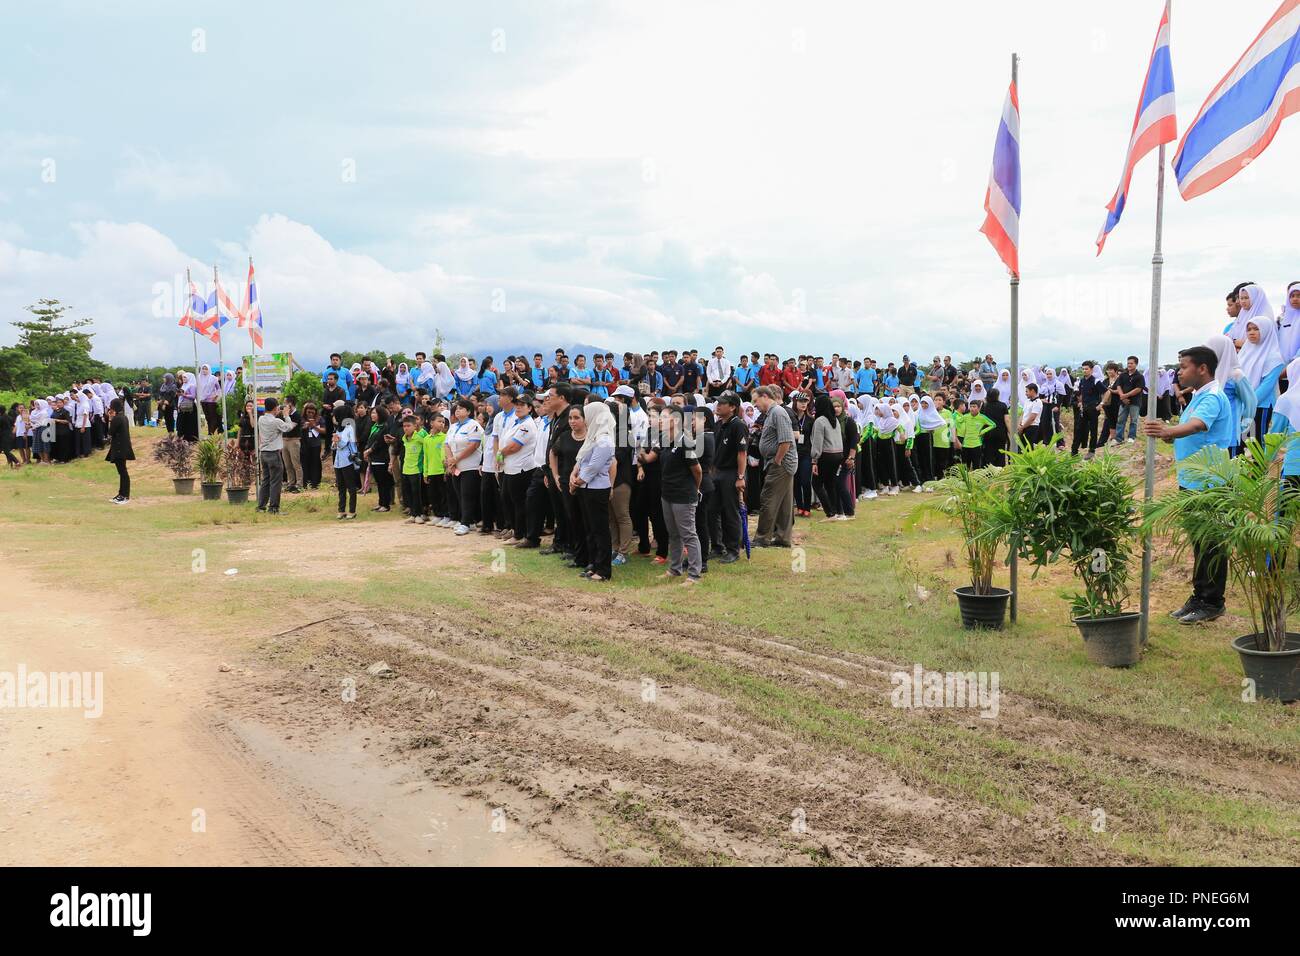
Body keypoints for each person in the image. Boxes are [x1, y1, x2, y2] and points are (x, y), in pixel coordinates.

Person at [1142, 346, 1234, 624]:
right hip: (1192, 481)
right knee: (1199, 543)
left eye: (1183, 366)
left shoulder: (1212, 397)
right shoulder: (1198, 396)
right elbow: (1191, 430)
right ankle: (1200, 596)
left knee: (1211, 544)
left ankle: (1212, 601)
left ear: (1202, 368)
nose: (1179, 372)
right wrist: (1172, 437)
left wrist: (1167, 431)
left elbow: (1197, 426)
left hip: (1209, 483)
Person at [658, 406, 704, 583]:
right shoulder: (665, 440)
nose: (660, 420)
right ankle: (674, 569)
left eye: (664, 417)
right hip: (667, 494)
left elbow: (697, 470)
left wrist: (695, 489)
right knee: (673, 534)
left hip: (683, 496)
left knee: (688, 534)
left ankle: (694, 574)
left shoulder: (685, 441)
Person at [572, 402, 616, 581]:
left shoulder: (604, 439)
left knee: (600, 530)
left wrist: (577, 481)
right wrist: (575, 476)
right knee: (590, 528)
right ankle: (594, 564)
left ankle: (604, 569)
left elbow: (594, 467)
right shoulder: (594, 437)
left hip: (597, 489)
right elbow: (582, 460)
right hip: (586, 488)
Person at [752, 385, 796, 547]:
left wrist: (777, 460)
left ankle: (762, 537)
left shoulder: (778, 412)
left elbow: (786, 441)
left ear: (765, 396)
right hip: (782, 463)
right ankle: (783, 538)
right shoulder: (771, 413)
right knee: (784, 503)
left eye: (756, 401)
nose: (754, 404)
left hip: (780, 464)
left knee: (768, 499)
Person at [255, 397, 295, 514]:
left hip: (264, 453)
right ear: (275, 407)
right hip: (274, 454)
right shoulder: (276, 421)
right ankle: (273, 507)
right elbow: (289, 427)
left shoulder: (261, 419)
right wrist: (286, 415)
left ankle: (261, 506)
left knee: (266, 480)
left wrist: (278, 412)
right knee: (276, 481)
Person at [810, 394, 844, 520]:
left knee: (817, 484)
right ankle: (835, 510)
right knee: (830, 484)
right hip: (838, 454)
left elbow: (817, 442)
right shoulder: (835, 420)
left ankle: (830, 512)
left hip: (826, 455)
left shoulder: (820, 421)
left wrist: (814, 460)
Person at [331, 404, 359, 519]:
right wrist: (334, 442)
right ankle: (341, 510)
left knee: (351, 487)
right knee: (341, 486)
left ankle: (352, 510)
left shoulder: (349, 428)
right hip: (338, 461)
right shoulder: (338, 428)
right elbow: (333, 446)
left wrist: (338, 441)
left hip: (348, 460)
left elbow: (343, 444)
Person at [104, 398, 134, 502]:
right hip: (123, 447)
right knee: (122, 472)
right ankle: (121, 493)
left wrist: (110, 419)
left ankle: (125, 495)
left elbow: (110, 432)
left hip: (119, 448)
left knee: (123, 472)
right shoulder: (124, 417)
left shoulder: (117, 419)